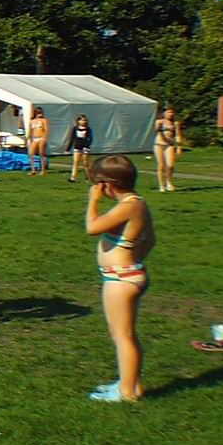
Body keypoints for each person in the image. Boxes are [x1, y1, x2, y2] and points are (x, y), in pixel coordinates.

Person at [86, 155, 155, 401]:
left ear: (107, 184)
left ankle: (126, 392)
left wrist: (93, 201)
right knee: (127, 335)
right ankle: (131, 384)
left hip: (120, 279)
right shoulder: (138, 204)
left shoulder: (128, 206)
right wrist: (135, 260)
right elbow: (150, 240)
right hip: (128, 274)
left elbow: (92, 227)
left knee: (121, 336)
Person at [153, 104, 183, 192]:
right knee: (161, 165)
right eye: (168, 112)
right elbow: (156, 130)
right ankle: (161, 185)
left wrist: (179, 147)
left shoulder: (175, 123)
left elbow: (178, 135)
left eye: (172, 112)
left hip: (169, 145)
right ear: (164, 113)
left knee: (170, 165)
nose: (170, 114)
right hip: (159, 145)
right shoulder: (159, 122)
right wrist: (159, 128)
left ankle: (169, 182)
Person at [65, 115, 93, 183]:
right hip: (77, 147)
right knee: (76, 162)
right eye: (82, 120)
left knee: (85, 163)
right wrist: (68, 149)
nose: (83, 121)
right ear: (78, 121)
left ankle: (87, 177)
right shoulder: (75, 128)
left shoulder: (88, 129)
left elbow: (90, 138)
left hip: (85, 147)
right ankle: (73, 177)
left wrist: (88, 145)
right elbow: (72, 139)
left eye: (85, 120)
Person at [26, 106, 50, 176]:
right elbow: (30, 130)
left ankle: (43, 170)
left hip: (41, 138)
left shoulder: (44, 120)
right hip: (35, 138)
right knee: (31, 154)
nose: (40, 114)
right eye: (38, 113)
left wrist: (45, 137)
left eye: (40, 112)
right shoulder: (32, 121)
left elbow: (46, 130)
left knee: (41, 154)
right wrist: (28, 138)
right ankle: (33, 170)